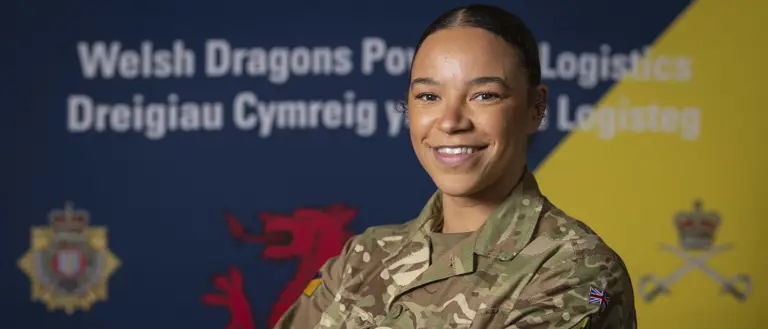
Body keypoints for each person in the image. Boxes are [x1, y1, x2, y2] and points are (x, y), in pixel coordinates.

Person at [274, 4, 636, 329]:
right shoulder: (364, 257)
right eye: (429, 96)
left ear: (535, 107)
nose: (450, 122)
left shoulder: (575, 271)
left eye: (484, 95)